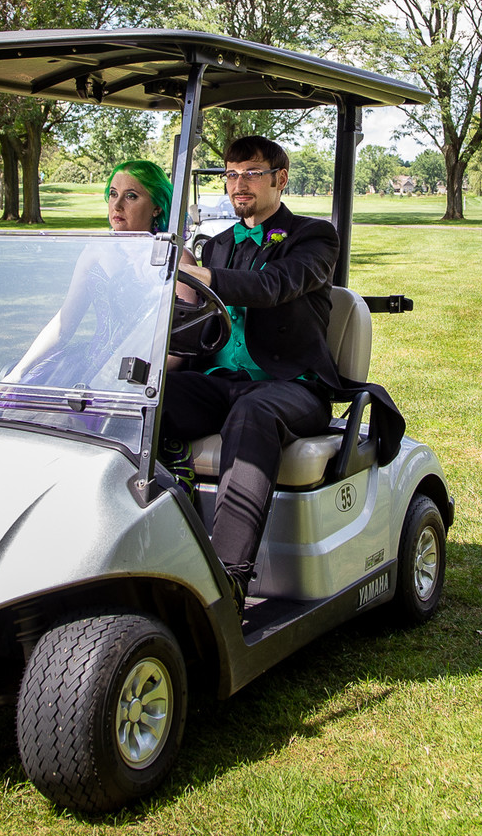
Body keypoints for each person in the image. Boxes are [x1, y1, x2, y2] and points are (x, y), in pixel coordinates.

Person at [162, 135, 400, 610]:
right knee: (146, 400)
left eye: (252, 173)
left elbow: (274, 285)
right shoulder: (219, 245)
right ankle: (157, 538)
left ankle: (227, 582)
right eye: (231, 175)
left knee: (253, 412)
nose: (239, 184)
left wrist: (203, 276)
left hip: (292, 387)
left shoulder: (314, 238)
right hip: (222, 383)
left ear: (280, 179)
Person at [3, 160, 179, 386]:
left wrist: (135, 379)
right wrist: (19, 370)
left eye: (131, 196)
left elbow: (179, 346)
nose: (117, 205)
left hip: (140, 378)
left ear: (157, 207)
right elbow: (64, 324)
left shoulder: (174, 257)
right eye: (113, 194)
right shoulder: (95, 251)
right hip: (85, 367)